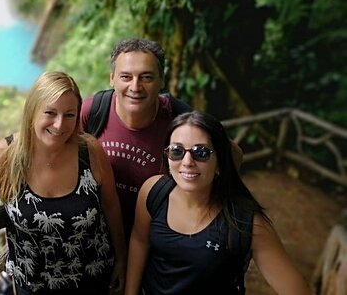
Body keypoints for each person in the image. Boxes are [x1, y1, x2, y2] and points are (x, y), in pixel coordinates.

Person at [0, 71, 126, 294]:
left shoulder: (89, 151)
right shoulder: (6, 155)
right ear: (32, 111)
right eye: (50, 113)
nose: (59, 124)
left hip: (94, 282)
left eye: (69, 115)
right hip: (33, 287)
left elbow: (111, 205)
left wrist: (122, 259)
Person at [125, 111, 312, 295]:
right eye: (177, 151)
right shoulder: (153, 191)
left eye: (201, 152)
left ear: (220, 162)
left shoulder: (247, 222)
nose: (187, 161)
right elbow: (140, 241)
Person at [80, 37, 194, 242]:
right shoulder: (93, 111)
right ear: (112, 78)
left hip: (156, 239)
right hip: (97, 236)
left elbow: (230, 156)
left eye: (146, 77)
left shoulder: (179, 118)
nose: (135, 86)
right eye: (126, 77)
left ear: (162, 80)